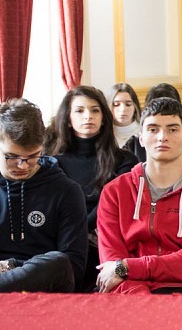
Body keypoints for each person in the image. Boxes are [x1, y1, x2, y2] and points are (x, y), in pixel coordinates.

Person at [95, 98, 182, 295]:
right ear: (141, 138)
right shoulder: (114, 192)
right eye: (153, 129)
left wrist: (129, 267)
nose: (162, 137)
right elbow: (111, 261)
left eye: (172, 129)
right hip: (127, 291)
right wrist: (143, 299)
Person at [0, 99, 87, 293]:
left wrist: (8, 266)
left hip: (48, 290)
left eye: (32, 156)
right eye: (12, 157)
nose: (23, 165)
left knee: (58, 261)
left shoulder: (67, 191)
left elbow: (73, 266)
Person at [45, 86, 137, 244]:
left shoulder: (125, 161)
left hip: (108, 240)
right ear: (68, 119)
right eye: (79, 111)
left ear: (103, 118)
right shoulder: (53, 163)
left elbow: (112, 206)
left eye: (95, 110)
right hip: (63, 240)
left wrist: (78, 231)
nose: (88, 116)